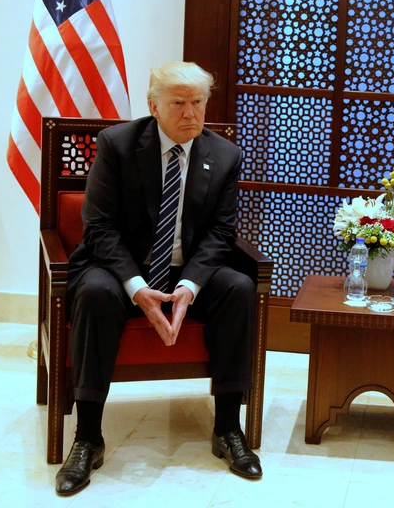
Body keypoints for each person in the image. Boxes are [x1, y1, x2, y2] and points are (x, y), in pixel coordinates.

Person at [55, 62, 261, 496]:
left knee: (240, 288)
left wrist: (189, 287)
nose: (191, 113)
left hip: (188, 271)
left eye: (198, 102)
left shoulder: (224, 155)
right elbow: (98, 228)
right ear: (153, 106)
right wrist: (136, 286)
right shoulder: (118, 144)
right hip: (120, 268)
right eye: (178, 103)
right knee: (93, 292)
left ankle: (227, 428)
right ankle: (87, 436)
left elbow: (222, 233)